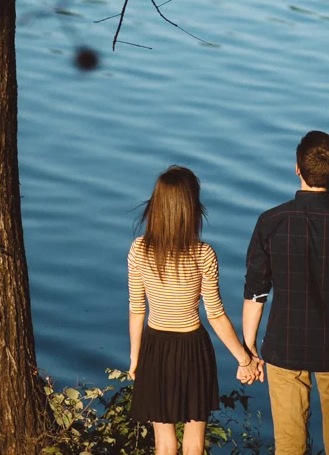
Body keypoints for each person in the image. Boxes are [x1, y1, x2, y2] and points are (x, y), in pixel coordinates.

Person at [242, 130, 329, 455]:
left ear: (297, 168)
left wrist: (249, 350)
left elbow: (256, 294)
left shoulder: (271, 222)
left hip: (285, 347)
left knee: (289, 446)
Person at [128, 166, 262, 455]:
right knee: (194, 444)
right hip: (193, 350)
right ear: (192, 208)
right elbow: (215, 313)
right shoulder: (203, 254)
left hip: (155, 349)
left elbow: (137, 308)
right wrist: (245, 359)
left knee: (164, 445)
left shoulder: (139, 250)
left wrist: (135, 357)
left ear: (157, 206)